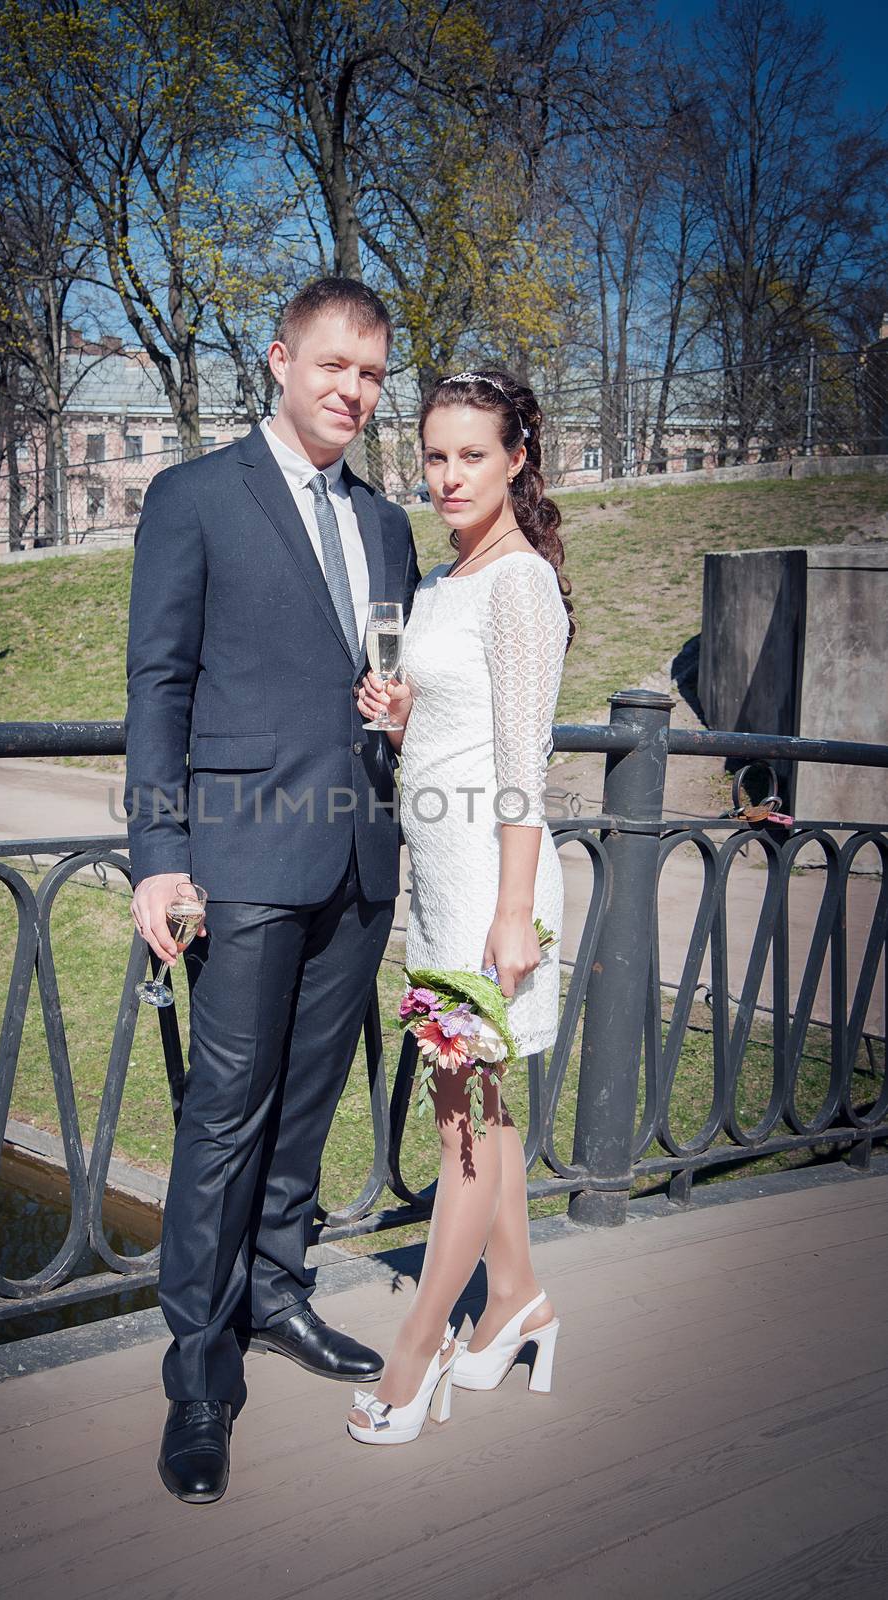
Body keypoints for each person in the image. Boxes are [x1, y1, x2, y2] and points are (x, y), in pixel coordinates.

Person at [125, 277, 420, 1503]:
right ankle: (198, 1373)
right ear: (279, 359)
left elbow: (381, 673)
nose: (351, 390)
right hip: (239, 859)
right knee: (225, 1117)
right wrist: (157, 854)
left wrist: (398, 714)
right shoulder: (194, 496)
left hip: (356, 852)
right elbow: (159, 686)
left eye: (370, 373)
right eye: (331, 365)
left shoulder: (388, 524)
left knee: (302, 1103)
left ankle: (280, 1293)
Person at [349, 368, 575, 1446]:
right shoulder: (442, 582)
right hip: (440, 882)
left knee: (460, 1136)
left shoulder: (518, 585)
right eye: (432, 455)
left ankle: (417, 1352)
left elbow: (524, 761)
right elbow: (449, 740)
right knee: (479, 1114)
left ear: (515, 457)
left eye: (469, 455)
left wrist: (514, 912)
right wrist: (397, 719)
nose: (445, 476)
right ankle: (519, 1298)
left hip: (495, 884)